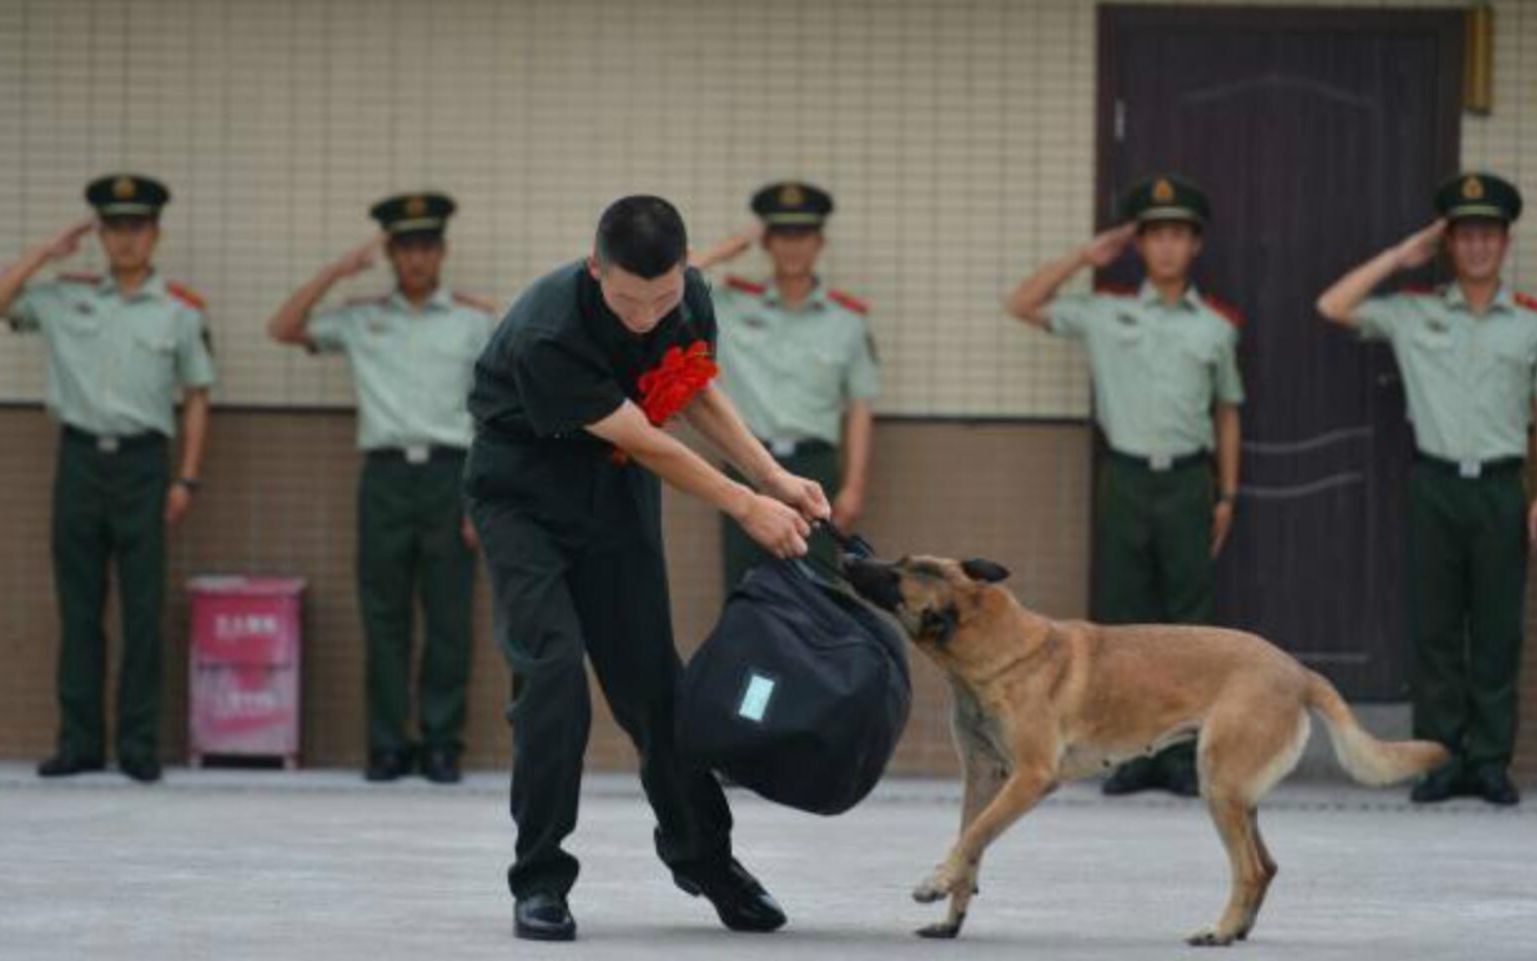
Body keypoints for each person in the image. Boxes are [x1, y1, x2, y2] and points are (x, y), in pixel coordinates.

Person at [465, 195, 829, 941]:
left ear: (685, 272)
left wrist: (773, 476)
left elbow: (685, 389)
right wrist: (741, 503)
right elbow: (647, 437)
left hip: (614, 489)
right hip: (522, 496)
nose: (644, 315)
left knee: (657, 689)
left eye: (660, 298)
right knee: (553, 675)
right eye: (628, 300)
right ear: (594, 267)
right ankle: (539, 879)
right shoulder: (548, 330)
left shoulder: (683, 297)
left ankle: (707, 860)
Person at [1004, 173, 1245, 797]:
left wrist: (1227, 493)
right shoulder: (1104, 311)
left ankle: (1185, 757)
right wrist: (1086, 256)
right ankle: (1132, 756)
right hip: (1127, 479)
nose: (1167, 247)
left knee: (1190, 623)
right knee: (1122, 629)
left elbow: (1227, 411)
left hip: (1189, 479)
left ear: (1195, 246)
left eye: (1179, 236)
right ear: (1139, 244)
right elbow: (1022, 303)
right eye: (1155, 235)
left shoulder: (1214, 326)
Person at [1316, 172, 1531, 806]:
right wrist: (1400, 254)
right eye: (1464, 235)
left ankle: (1489, 761)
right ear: (1448, 243)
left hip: (1500, 488)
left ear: (1505, 241)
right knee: (1435, 629)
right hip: (1435, 485)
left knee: (1496, 630)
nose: (1477, 247)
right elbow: (1332, 305)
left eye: (1488, 234)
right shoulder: (1413, 312)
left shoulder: (1527, 323)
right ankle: (1439, 758)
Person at [267, 192, 493, 784]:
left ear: (441, 251)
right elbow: (283, 327)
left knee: (448, 618)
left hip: (453, 475)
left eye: (426, 247)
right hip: (385, 477)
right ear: (390, 254)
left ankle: (442, 743)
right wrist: (337, 271)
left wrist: (482, 497)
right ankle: (389, 744)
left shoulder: (474, 322)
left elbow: (499, 411)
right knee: (385, 616)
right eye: (404, 248)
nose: (416, 259)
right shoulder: (361, 318)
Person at [0, 173, 215, 783]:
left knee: (143, 610)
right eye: (114, 229)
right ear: (100, 235)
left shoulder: (178, 311)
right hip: (78, 460)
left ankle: (139, 744)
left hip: (146, 466)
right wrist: (45, 254)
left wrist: (188, 478)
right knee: (79, 609)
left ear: (155, 234)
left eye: (137, 228)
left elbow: (198, 394)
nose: (126, 240)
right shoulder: (64, 297)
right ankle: (80, 742)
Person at [691, 181, 879, 589]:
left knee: (815, 595)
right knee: (745, 589)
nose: (793, 248)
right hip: (747, 463)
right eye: (781, 236)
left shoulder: (847, 319)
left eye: (803, 236)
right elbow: (670, 283)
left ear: (820, 242)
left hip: (816, 468)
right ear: (766, 243)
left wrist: (853, 485)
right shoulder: (729, 304)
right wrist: (730, 247)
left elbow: (860, 407)